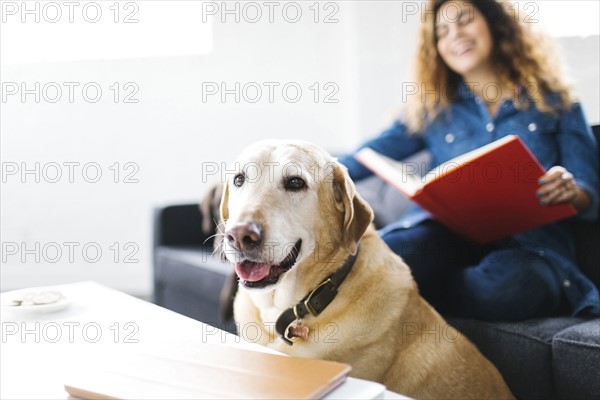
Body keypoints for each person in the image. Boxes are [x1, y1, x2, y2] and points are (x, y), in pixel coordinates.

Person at [337, 0, 599, 321]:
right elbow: (363, 156)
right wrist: (296, 168)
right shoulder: (433, 109)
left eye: (464, 21)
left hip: (528, 248)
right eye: (442, 32)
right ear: (436, 49)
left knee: (505, 289)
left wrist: (573, 191)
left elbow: (589, 192)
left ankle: (420, 294)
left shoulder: (557, 102)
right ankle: (412, 286)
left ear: (494, 23)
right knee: (392, 254)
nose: (455, 35)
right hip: (444, 236)